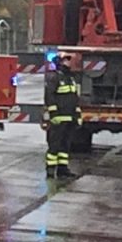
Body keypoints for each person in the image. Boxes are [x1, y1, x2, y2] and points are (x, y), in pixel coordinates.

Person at [43, 51, 81, 179]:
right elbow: (49, 97)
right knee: (54, 145)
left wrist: (77, 116)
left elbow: (75, 99)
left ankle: (62, 169)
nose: (69, 62)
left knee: (65, 146)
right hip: (58, 119)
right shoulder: (55, 78)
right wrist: (54, 115)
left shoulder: (70, 79)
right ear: (60, 62)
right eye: (67, 60)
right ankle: (50, 170)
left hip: (70, 119)